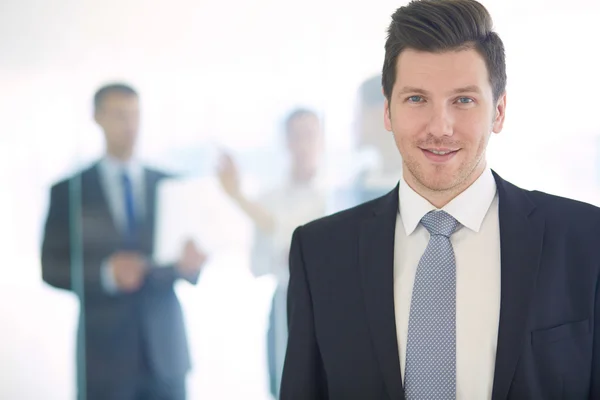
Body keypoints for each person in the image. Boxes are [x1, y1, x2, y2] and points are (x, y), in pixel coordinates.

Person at [280, 1, 600, 399]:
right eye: (417, 99)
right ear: (388, 111)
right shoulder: (321, 253)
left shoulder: (586, 240)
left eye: (463, 100)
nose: (439, 127)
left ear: (499, 111)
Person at [41, 83, 207, 400]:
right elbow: (51, 268)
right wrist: (106, 273)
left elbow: (190, 266)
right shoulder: (69, 192)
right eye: (119, 116)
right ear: (97, 118)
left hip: (165, 353)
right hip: (104, 357)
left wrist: (190, 265)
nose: (130, 125)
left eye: (134, 115)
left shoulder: (171, 187)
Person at [217, 108, 327, 398]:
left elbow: (297, 242)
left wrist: (238, 197)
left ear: (322, 140)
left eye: (310, 135)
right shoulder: (269, 198)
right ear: (285, 142)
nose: (303, 144)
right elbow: (260, 264)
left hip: (329, 306)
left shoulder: (335, 194)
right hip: (284, 304)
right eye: (296, 136)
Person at [330, 74, 403, 213]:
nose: (354, 122)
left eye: (359, 112)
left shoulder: (413, 184)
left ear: (381, 113)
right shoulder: (361, 180)